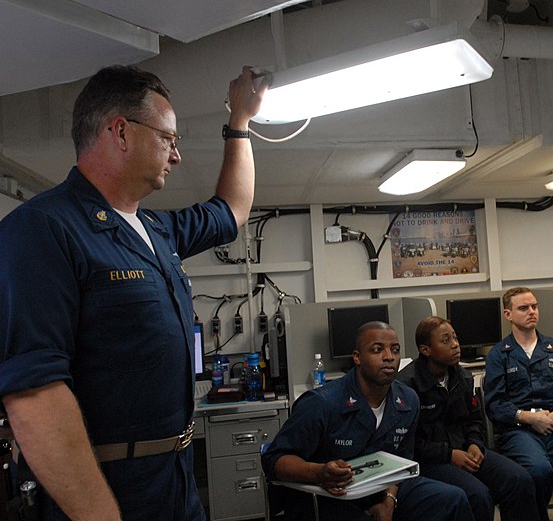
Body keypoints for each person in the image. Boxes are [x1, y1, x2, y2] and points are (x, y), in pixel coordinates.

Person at [0, 64, 268, 520]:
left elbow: (233, 211)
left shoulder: (155, 230)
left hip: (176, 481)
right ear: (120, 132)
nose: (176, 155)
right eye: (169, 139)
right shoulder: (43, 229)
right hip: (110, 487)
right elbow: (34, 394)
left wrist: (239, 122)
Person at [261, 321, 474, 521]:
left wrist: (389, 501)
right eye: (377, 350)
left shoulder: (408, 400)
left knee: (453, 499)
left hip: (381, 489)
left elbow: (400, 462)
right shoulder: (322, 403)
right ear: (357, 357)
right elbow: (275, 460)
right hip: (327, 493)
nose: (389, 357)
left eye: (395, 349)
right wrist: (319, 473)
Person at [397, 316, 539, 521]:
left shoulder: (462, 377)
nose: (455, 344)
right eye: (446, 341)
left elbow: (474, 421)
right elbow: (408, 442)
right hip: (430, 460)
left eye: (455, 338)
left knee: (519, 480)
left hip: (466, 451)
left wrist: (474, 444)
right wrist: (449, 454)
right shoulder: (407, 386)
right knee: (478, 495)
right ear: (425, 349)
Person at [484, 286, 553, 520]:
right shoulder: (499, 354)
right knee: (538, 471)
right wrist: (528, 417)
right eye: (524, 308)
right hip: (520, 430)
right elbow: (495, 405)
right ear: (508, 314)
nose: (532, 311)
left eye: (534, 306)